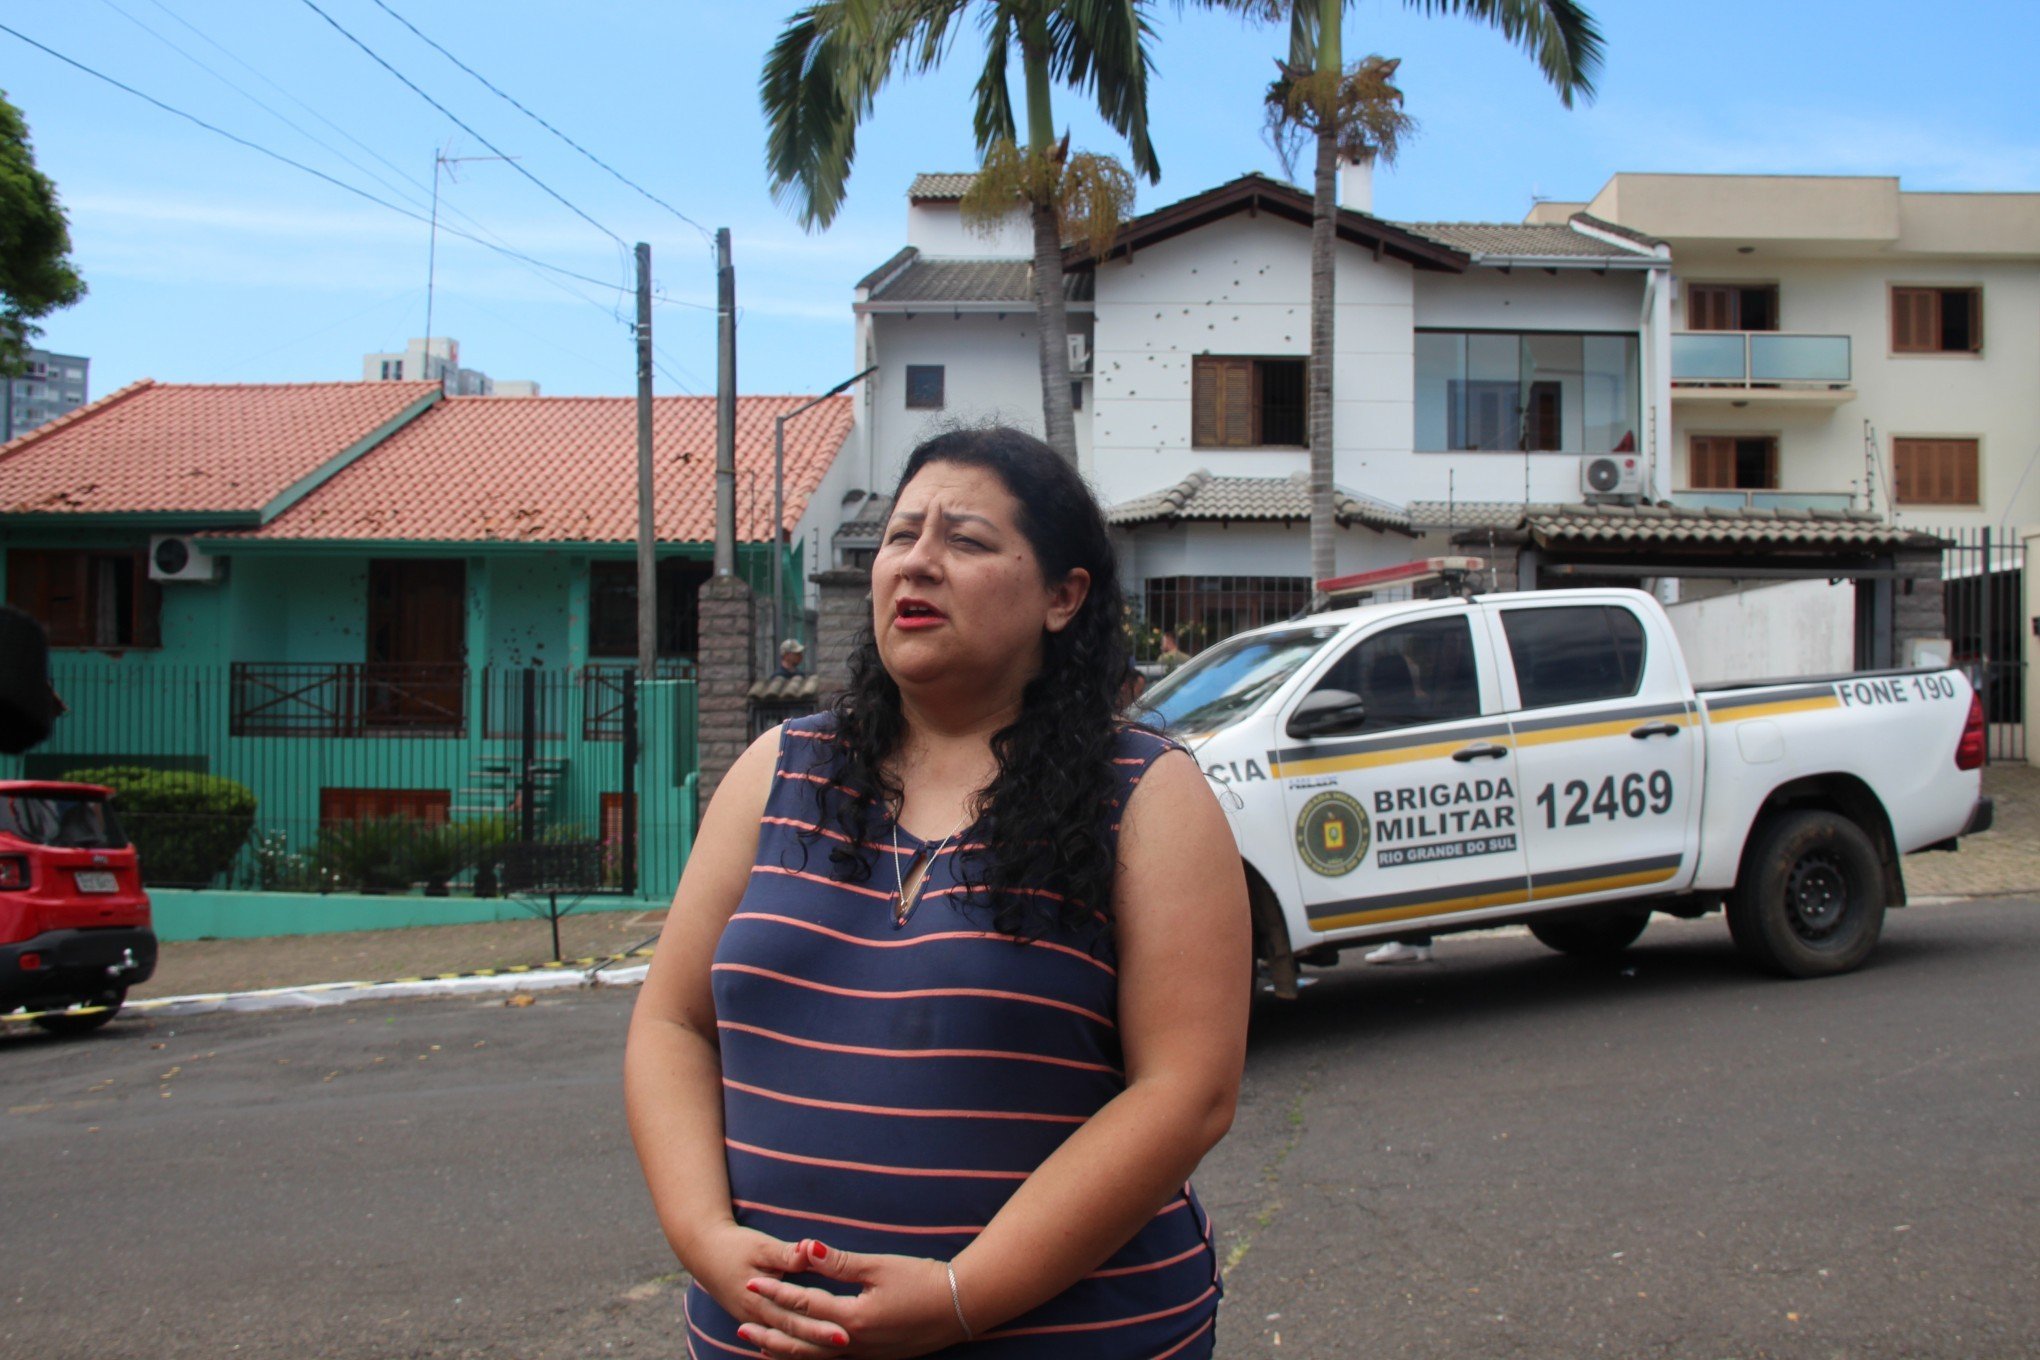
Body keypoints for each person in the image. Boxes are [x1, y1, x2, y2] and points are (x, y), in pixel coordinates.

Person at [625, 426, 1249, 1359]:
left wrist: (962, 1296)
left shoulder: (1145, 793)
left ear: (1062, 596)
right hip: (769, 1335)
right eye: (898, 537)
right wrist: (707, 1243)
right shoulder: (779, 771)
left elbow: (1185, 1092)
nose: (916, 564)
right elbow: (671, 1024)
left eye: (965, 540)